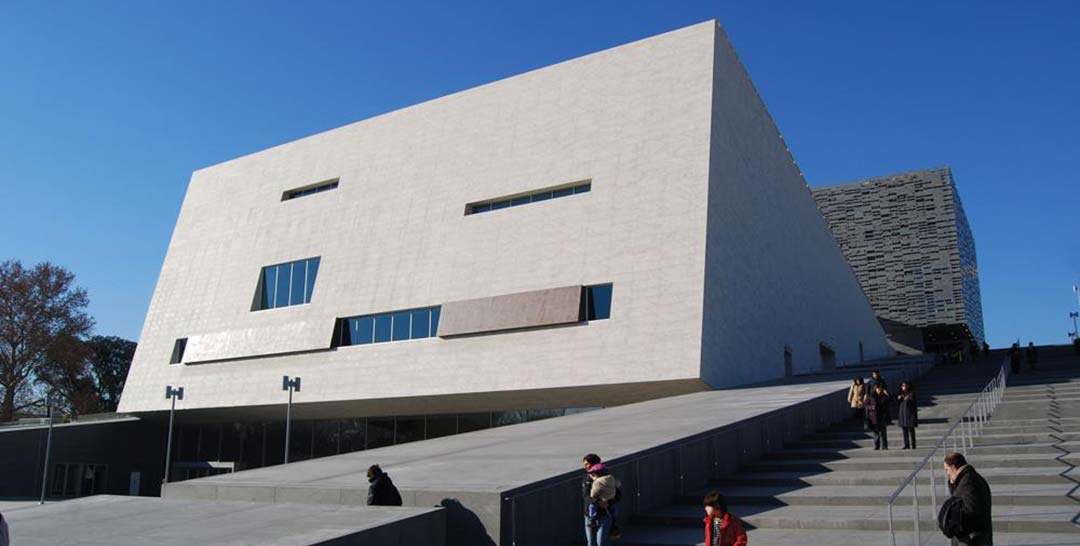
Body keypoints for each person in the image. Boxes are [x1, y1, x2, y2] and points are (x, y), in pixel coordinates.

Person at [944, 452, 993, 546]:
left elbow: (970, 510)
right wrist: (952, 482)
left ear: (953, 467)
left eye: (947, 469)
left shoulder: (968, 482)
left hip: (972, 538)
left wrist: (954, 526)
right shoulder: (966, 478)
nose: (947, 473)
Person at [584, 463, 619, 546]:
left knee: (600, 542)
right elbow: (586, 496)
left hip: (603, 515)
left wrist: (606, 502)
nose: (586, 467)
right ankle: (613, 519)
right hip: (595, 513)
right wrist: (600, 502)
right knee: (593, 542)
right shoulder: (611, 479)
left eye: (587, 464)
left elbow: (591, 495)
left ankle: (594, 519)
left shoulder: (598, 481)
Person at [865, 383, 891, 450]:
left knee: (883, 432)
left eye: (880, 388)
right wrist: (871, 407)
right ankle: (876, 446)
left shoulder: (884, 396)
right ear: (875, 389)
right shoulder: (871, 396)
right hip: (874, 416)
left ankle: (884, 446)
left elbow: (890, 402)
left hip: (882, 415)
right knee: (876, 432)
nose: (879, 390)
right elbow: (866, 405)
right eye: (878, 388)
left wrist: (887, 394)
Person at [897, 381, 918, 449]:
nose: (904, 387)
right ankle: (906, 445)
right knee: (904, 431)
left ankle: (913, 444)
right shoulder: (900, 393)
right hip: (902, 414)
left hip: (910, 414)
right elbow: (897, 402)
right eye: (903, 386)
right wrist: (899, 398)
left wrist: (907, 397)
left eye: (905, 385)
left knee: (911, 430)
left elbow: (912, 401)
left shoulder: (911, 393)